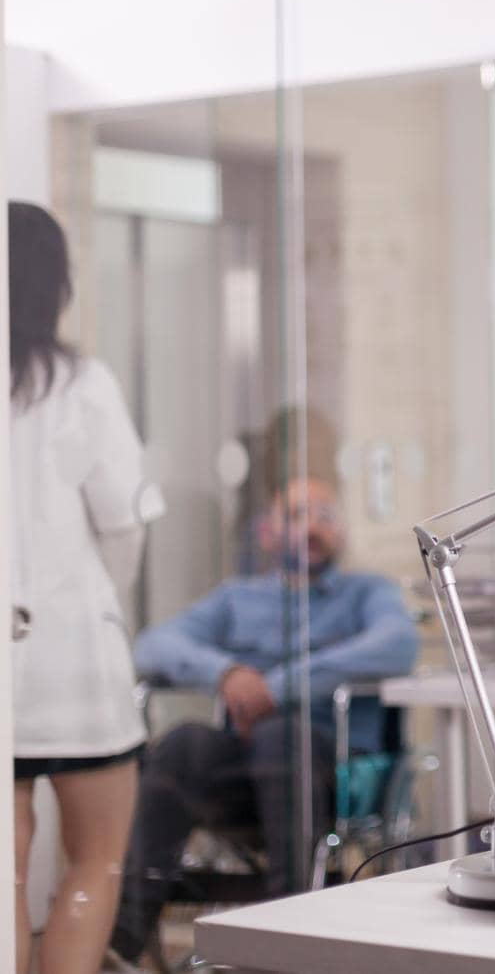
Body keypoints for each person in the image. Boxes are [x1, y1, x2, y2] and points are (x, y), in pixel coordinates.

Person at [109, 476, 419, 964]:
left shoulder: (366, 593)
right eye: (295, 515)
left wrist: (273, 688)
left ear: (340, 533)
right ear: (267, 533)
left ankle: (285, 929)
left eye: (324, 515)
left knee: (281, 735)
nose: (311, 527)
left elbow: (397, 645)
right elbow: (153, 645)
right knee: (185, 741)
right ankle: (124, 938)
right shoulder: (237, 599)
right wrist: (225, 672)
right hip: (244, 764)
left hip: (330, 761)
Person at [8, 202, 167, 974]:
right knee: (95, 862)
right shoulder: (82, 385)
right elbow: (125, 521)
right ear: (55, 285)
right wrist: (105, 593)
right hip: (75, 661)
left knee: (3, 876)